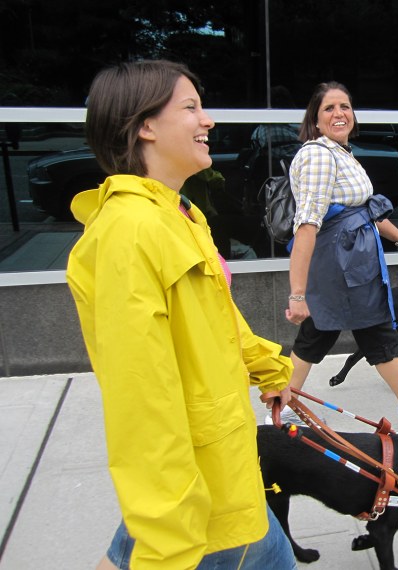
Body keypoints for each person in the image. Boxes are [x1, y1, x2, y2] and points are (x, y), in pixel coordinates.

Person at [66, 60, 297, 569]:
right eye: (190, 107)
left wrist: (268, 367)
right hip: (201, 506)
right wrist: (169, 542)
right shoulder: (128, 234)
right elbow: (141, 401)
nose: (207, 120)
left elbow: (215, 318)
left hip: (222, 469)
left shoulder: (176, 213)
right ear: (144, 125)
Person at [281, 81, 398, 429]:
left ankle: (284, 403)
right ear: (315, 120)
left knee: (320, 331)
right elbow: (307, 226)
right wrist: (297, 294)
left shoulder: (341, 152)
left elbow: (365, 210)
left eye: (344, 106)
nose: (339, 113)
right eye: (329, 108)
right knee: (373, 329)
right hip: (341, 265)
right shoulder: (318, 154)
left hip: (348, 263)